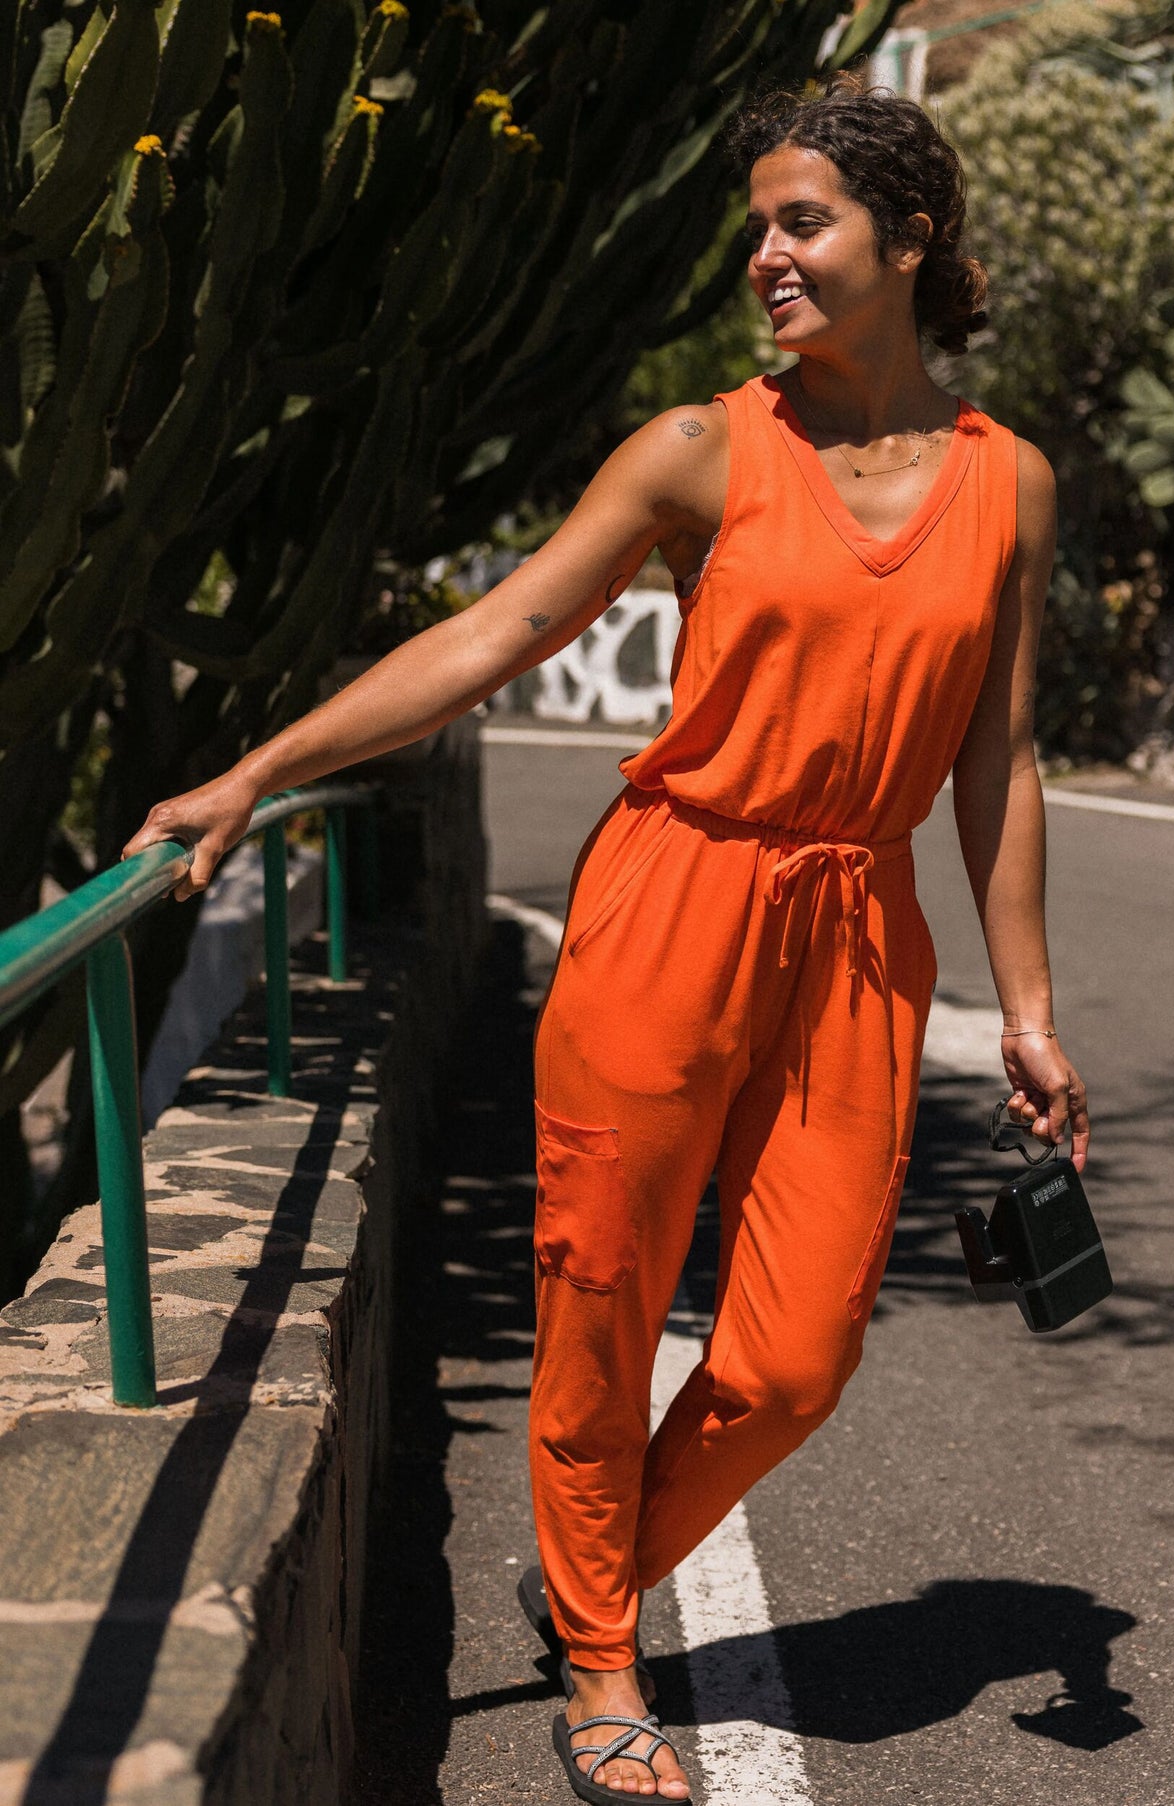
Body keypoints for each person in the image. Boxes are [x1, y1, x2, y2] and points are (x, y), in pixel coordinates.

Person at [125, 71, 1090, 1805]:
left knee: (796, 1355)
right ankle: (596, 1658)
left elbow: (994, 758)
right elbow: (496, 633)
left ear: (907, 236)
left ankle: (595, 1567)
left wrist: (1027, 1007)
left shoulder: (1005, 482)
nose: (766, 256)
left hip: (860, 933)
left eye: (802, 222)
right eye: (756, 229)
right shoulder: (700, 451)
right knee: (601, 1295)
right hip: (671, 899)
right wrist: (256, 772)